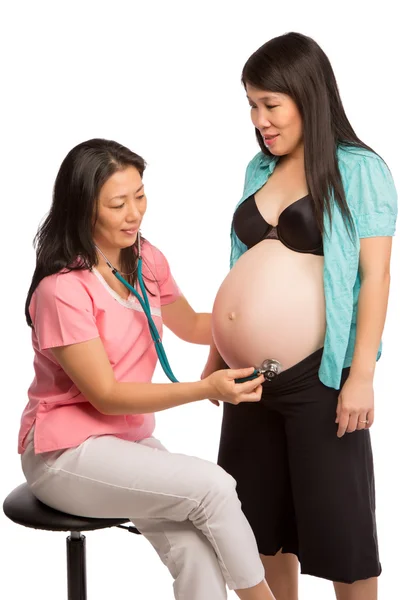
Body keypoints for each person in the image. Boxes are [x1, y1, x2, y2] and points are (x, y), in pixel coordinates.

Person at [18, 138, 277, 600]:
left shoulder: (146, 259)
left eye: (140, 195)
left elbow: (196, 324)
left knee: (196, 549)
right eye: (118, 204)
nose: (135, 213)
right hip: (65, 453)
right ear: (83, 210)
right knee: (213, 486)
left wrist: (262, 320)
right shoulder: (62, 290)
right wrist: (205, 388)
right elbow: (107, 395)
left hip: (127, 442)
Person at [202, 32, 398, 600]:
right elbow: (239, 262)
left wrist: (361, 375)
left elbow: (376, 278)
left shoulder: (358, 169)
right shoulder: (258, 168)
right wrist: (219, 350)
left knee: (344, 536)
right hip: (249, 382)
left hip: (321, 376)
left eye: (270, 104)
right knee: (256, 531)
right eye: (251, 106)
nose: (259, 119)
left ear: (307, 96)